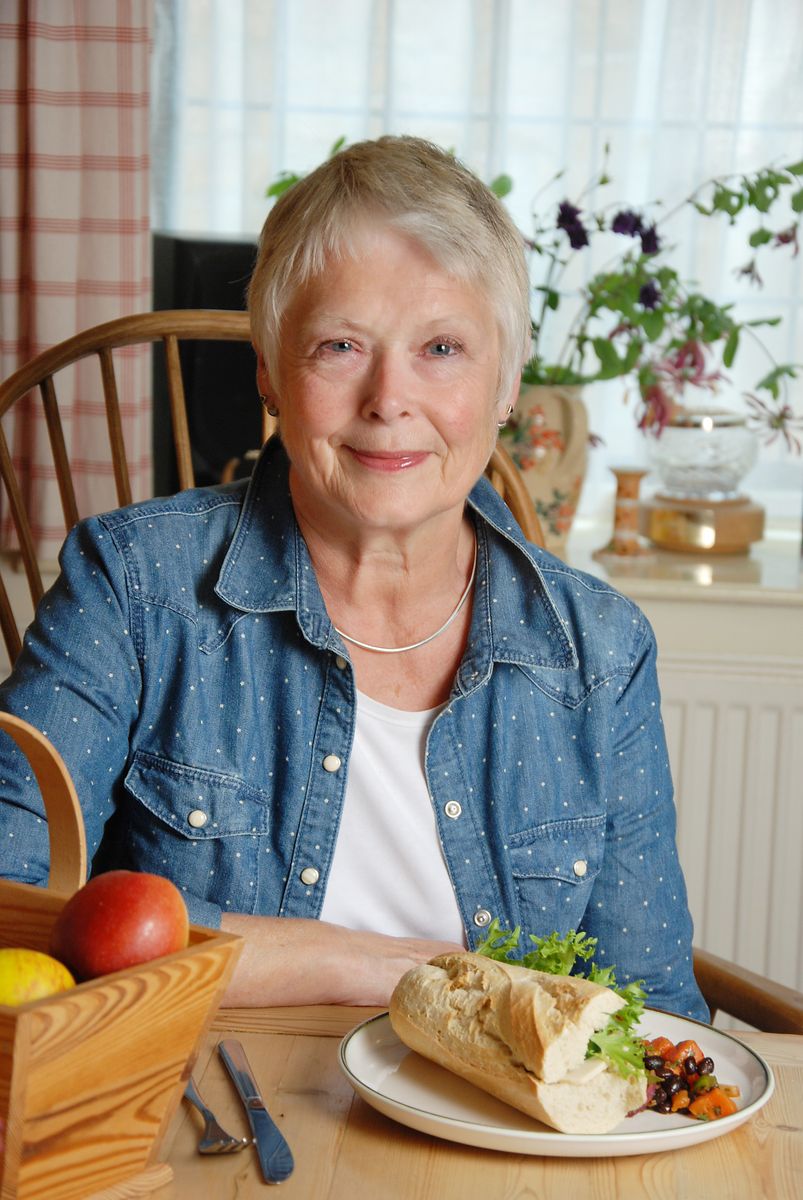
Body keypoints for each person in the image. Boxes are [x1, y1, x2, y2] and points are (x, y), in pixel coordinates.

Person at [0, 136, 707, 1019]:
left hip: (498, 1138)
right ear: (267, 369)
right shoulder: (134, 586)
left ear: (507, 383)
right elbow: (11, 908)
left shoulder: (598, 650)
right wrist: (357, 964)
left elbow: (652, 1008)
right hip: (207, 1101)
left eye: (442, 348)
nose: (388, 400)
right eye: (339, 345)